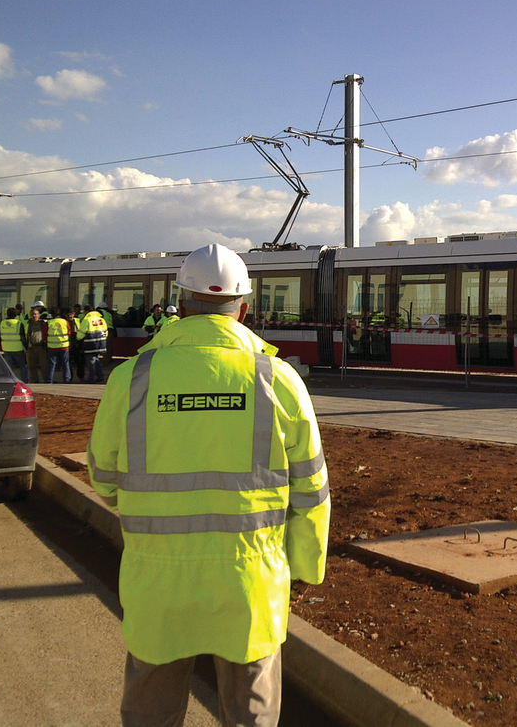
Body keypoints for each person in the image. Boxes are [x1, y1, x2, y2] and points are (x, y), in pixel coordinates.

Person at [87, 243, 330, 727]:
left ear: (179, 305)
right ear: (243, 308)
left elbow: (105, 479)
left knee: (150, 713)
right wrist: (302, 568)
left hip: (158, 585)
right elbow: (312, 492)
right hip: (250, 586)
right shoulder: (279, 381)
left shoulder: (130, 379)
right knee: (251, 715)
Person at [77, 305, 107, 383]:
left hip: (90, 343)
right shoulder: (101, 319)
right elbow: (106, 331)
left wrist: (78, 339)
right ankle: (100, 376)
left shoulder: (87, 319)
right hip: (100, 343)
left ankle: (91, 378)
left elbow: (81, 333)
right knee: (97, 359)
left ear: (86, 311)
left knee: (91, 361)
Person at [0, 308, 28, 381]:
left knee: (9, 367)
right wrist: (26, 348)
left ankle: (9, 380)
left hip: (6, 348)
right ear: (15, 315)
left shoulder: (1, 323)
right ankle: (25, 380)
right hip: (17, 348)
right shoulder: (18, 323)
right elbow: (23, 337)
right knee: (22, 366)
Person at [45, 308, 72, 384]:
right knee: (65, 363)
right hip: (64, 346)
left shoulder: (48, 323)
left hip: (52, 347)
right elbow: (69, 332)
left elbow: (44, 335)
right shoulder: (65, 322)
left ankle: (49, 380)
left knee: (51, 364)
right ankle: (67, 380)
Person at [24, 305, 48, 384]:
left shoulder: (44, 323)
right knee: (31, 366)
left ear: (39, 315)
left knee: (44, 365)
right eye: (32, 314)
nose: (34, 316)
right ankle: (34, 381)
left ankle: (46, 380)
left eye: (36, 314)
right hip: (31, 347)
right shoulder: (27, 323)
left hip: (41, 347)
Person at [65, 308, 86, 382]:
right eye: (68, 315)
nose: (70, 316)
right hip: (68, 344)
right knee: (68, 362)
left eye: (71, 314)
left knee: (80, 362)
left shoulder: (78, 320)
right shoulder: (64, 322)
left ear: (74, 314)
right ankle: (69, 377)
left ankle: (81, 376)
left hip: (77, 344)